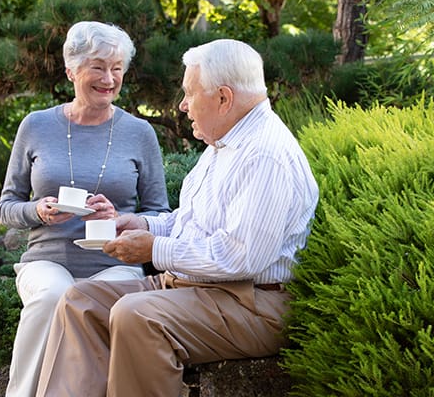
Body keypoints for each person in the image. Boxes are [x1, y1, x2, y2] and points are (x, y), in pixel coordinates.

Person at [35, 39, 320, 397]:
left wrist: (154, 249)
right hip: (198, 287)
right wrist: (143, 224)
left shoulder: (265, 155)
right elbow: (193, 220)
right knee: (82, 301)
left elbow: (240, 257)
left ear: (223, 98)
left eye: (189, 93)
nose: (183, 105)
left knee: (136, 316)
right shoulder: (224, 143)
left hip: (251, 303)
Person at [0, 21, 171, 397]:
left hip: (115, 263)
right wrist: (38, 211)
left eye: (117, 68)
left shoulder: (140, 133)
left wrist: (123, 221)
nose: (109, 79)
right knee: (53, 297)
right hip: (47, 260)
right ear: (71, 70)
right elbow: (6, 206)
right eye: (98, 67)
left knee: (110, 304)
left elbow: (161, 215)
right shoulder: (37, 125)